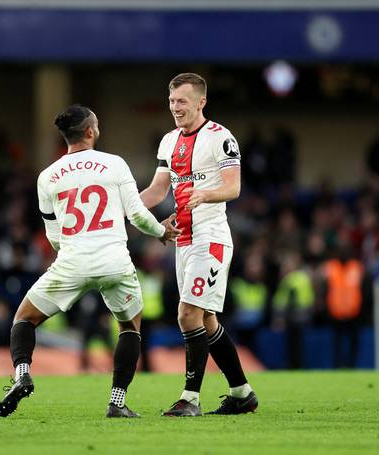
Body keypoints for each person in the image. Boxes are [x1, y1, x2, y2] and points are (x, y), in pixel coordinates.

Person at [0, 105, 180, 418]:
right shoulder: (114, 164)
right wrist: (162, 231)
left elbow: (53, 235)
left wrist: (71, 248)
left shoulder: (47, 177)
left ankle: (22, 373)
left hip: (72, 260)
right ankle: (117, 403)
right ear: (91, 131)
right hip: (114, 261)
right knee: (129, 328)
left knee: (24, 319)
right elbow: (136, 214)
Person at [140, 73, 258, 416]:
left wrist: (204, 193)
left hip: (212, 238)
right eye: (172, 101)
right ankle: (241, 393)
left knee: (187, 313)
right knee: (204, 320)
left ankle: (190, 399)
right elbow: (158, 190)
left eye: (183, 102)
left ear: (201, 102)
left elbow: (233, 187)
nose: (176, 108)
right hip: (184, 240)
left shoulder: (221, 138)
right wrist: (125, 209)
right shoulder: (168, 141)